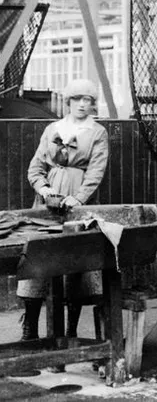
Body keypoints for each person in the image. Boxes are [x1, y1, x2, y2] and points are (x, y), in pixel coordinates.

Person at [17, 78, 109, 342]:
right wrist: (44, 189)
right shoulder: (52, 129)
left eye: (88, 100)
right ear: (68, 101)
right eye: (77, 99)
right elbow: (36, 168)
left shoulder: (97, 133)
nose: (82, 104)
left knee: (76, 264)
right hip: (47, 204)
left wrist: (78, 199)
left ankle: (70, 332)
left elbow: (95, 172)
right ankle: (30, 330)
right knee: (36, 259)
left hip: (78, 203)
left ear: (92, 104)